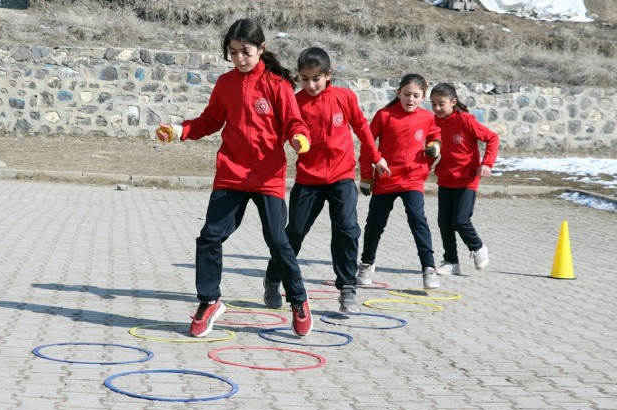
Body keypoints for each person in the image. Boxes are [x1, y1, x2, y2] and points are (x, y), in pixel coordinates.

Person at [155, 18, 313, 338]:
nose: (240, 58)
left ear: (262, 49)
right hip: (231, 173)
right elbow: (210, 120)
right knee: (210, 236)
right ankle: (209, 300)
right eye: (233, 52)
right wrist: (181, 130)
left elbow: (295, 122)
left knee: (276, 239)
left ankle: (298, 299)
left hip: (267, 175)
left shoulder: (277, 85)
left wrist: (299, 138)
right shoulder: (226, 84)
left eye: (246, 52)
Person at [262, 47, 387, 313]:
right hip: (309, 179)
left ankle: (346, 288)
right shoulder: (295, 102)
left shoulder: (345, 97)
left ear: (328, 75)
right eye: (305, 78)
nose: (311, 84)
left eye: (316, 78)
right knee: (293, 233)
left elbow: (363, 129)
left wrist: (376, 158)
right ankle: (273, 279)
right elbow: (281, 135)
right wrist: (292, 141)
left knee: (346, 229)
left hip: (341, 177)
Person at [357, 73, 442, 289]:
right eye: (406, 94)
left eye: (415, 95)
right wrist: (366, 175)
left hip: (412, 179)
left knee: (417, 219)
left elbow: (435, 135)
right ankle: (366, 264)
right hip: (386, 179)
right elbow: (368, 144)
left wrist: (435, 146)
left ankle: (428, 269)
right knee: (375, 224)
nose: (410, 99)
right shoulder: (384, 115)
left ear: (422, 97)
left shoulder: (427, 117)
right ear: (398, 94)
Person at [430, 82, 499, 275]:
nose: (437, 108)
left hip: (467, 178)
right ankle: (451, 261)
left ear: (453, 102)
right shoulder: (433, 121)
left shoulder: (466, 120)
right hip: (446, 178)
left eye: (441, 104)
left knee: (460, 220)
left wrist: (487, 163)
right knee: (444, 222)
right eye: (433, 104)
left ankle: (478, 247)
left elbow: (492, 138)